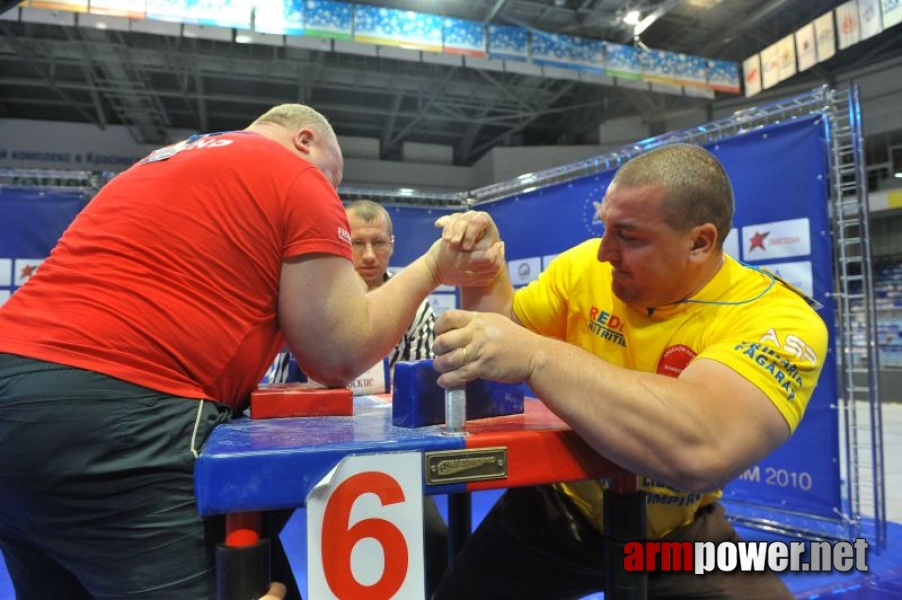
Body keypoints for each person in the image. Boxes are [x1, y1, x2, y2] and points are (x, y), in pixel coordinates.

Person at [0, 104, 498, 599]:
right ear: (305, 141)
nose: (330, 190)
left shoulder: (152, 165)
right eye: (333, 177)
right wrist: (434, 266)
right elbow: (338, 354)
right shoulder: (294, 171)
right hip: (122, 422)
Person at [429, 143, 829, 599]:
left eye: (629, 236)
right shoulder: (583, 269)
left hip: (673, 536)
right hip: (556, 512)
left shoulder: (777, 318)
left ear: (700, 242)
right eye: (605, 228)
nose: (604, 252)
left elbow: (701, 448)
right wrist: (484, 269)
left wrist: (541, 357)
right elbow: (498, 345)